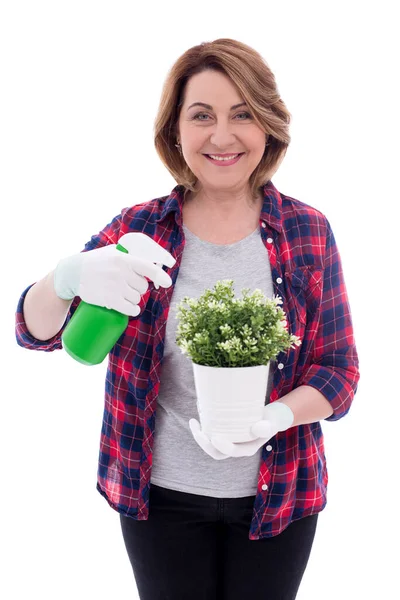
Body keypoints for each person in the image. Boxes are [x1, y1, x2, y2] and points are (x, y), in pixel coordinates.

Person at [15, 38, 360, 600]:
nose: (222, 136)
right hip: (158, 499)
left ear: (268, 126)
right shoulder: (139, 230)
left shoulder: (307, 231)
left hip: (281, 495)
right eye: (202, 116)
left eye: (242, 114)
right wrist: (66, 278)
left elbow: (339, 371)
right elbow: (34, 331)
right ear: (175, 129)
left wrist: (275, 416)